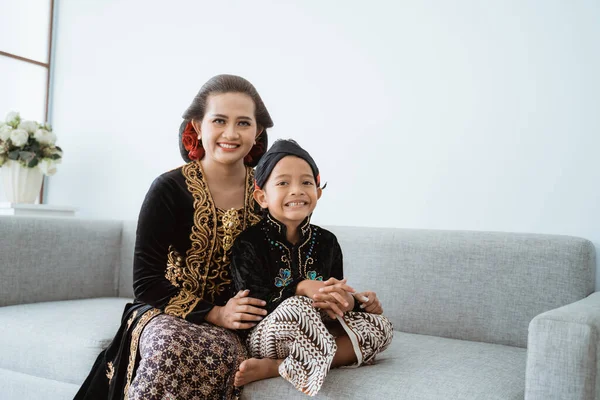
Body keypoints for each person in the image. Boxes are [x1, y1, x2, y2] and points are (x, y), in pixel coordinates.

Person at [75, 74, 274, 400]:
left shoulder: (269, 194)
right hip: (164, 312)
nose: (231, 133)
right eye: (219, 120)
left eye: (243, 123)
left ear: (258, 131)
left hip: (235, 330)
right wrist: (216, 313)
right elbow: (145, 282)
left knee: (206, 354)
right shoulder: (168, 189)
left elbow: (287, 264)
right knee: (168, 347)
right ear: (197, 125)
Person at [230, 139, 394, 396]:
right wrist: (301, 287)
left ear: (318, 192)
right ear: (262, 197)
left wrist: (354, 301)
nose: (297, 190)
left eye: (306, 182)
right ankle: (311, 357)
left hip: (319, 329)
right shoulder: (249, 242)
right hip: (269, 333)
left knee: (381, 326)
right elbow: (253, 302)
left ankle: (277, 368)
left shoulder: (327, 241)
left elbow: (333, 295)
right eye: (283, 183)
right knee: (299, 306)